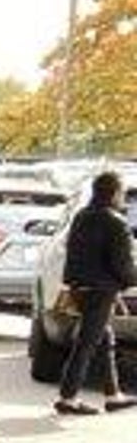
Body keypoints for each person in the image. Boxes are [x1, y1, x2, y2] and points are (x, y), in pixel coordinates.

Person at [55, 170, 136, 416]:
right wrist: (130, 281)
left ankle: (113, 395)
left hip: (80, 288)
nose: (123, 198)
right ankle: (68, 398)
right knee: (86, 344)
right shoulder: (115, 222)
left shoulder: (81, 216)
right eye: (122, 193)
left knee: (104, 338)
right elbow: (122, 264)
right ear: (114, 193)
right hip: (101, 291)